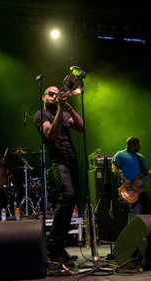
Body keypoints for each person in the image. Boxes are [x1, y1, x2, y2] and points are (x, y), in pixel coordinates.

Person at [34, 86, 84, 266]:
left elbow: (82, 126)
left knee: (71, 203)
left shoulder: (64, 113)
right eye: (51, 94)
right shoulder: (41, 114)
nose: (55, 96)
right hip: (58, 161)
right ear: (44, 96)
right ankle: (53, 246)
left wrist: (68, 106)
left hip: (72, 160)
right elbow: (51, 136)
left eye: (57, 94)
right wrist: (61, 109)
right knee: (67, 197)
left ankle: (58, 247)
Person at [111, 136, 151, 223]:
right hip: (129, 189)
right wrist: (124, 180)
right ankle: (131, 233)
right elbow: (114, 169)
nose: (140, 146)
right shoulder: (120, 154)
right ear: (133, 145)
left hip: (141, 189)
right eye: (139, 144)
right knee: (134, 212)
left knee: (143, 213)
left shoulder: (140, 157)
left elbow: (145, 172)